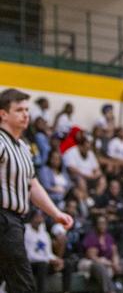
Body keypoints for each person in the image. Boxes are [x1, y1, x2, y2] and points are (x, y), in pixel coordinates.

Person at [0, 88, 74, 293]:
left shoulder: (23, 147)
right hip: (4, 220)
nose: (26, 114)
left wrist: (56, 213)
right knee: (22, 284)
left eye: (27, 110)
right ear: (3, 114)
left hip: (14, 221)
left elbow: (32, 185)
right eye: (19, 110)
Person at [80, 215, 123, 293]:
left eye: (104, 223)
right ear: (96, 225)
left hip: (109, 262)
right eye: (100, 223)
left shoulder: (108, 237)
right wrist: (110, 264)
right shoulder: (91, 237)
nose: (102, 225)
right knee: (100, 267)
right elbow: (92, 257)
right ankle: (110, 291)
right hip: (92, 263)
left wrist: (115, 263)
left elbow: (115, 253)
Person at [25, 210, 71, 293]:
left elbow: (48, 253)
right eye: (37, 217)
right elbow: (29, 255)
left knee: (67, 263)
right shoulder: (25, 232)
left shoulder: (44, 234)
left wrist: (57, 260)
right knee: (43, 265)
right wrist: (49, 260)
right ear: (31, 219)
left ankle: (66, 291)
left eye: (41, 217)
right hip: (31, 265)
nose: (39, 220)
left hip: (45, 263)